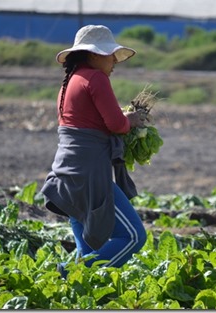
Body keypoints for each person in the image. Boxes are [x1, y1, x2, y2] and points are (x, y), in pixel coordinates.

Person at [40, 25, 147, 278]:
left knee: (87, 253)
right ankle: (68, 274)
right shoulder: (96, 78)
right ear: (94, 54)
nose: (113, 62)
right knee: (133, 237)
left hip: (68, 173)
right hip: (89, 175)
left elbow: (90, 123)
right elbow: (116, 125)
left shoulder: (70, 81)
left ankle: (72, 287)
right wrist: (131, 120)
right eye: (110, 55)